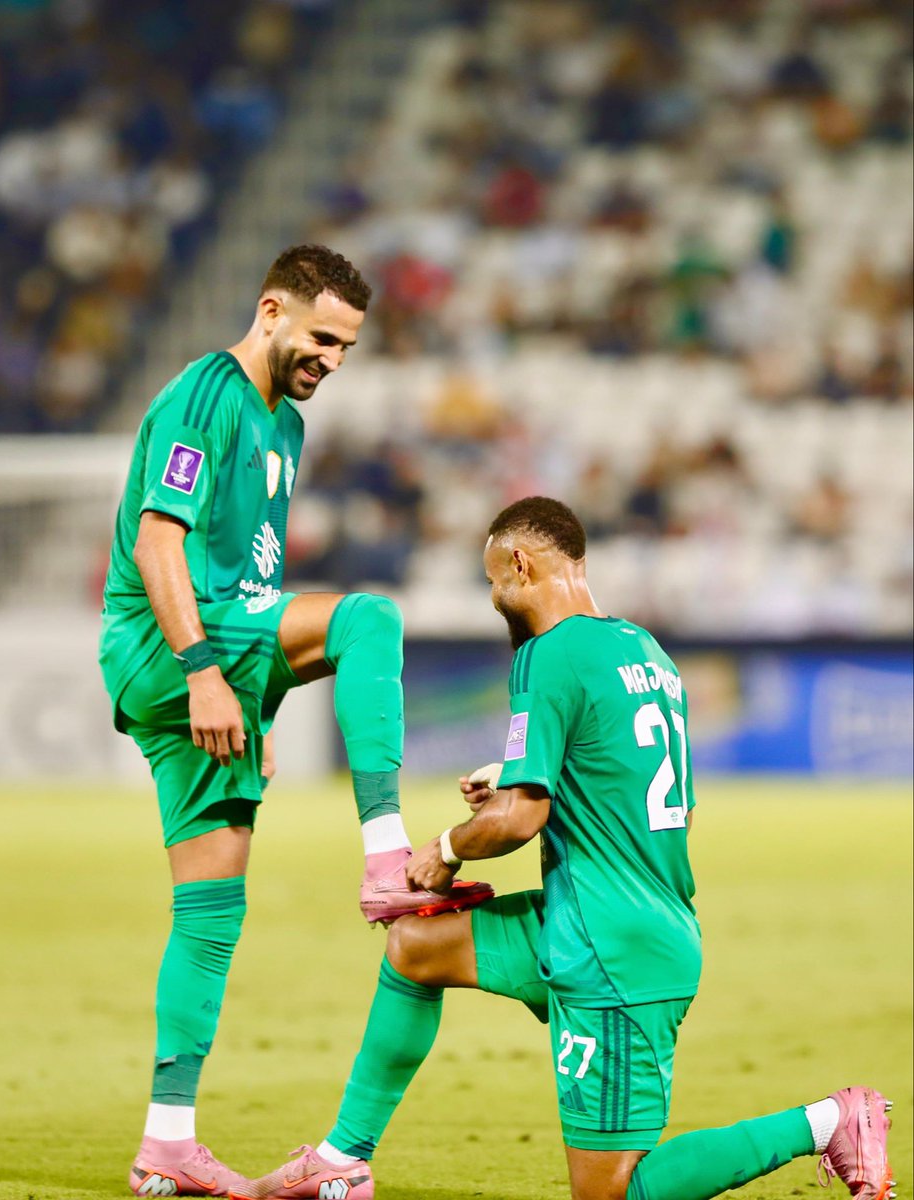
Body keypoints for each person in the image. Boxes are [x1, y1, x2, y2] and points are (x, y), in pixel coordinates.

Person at [241, 496, 893, 1200]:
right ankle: (343, 1156)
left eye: (493, 580)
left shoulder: (546, 655)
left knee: (613, 1193)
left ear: (520, 564)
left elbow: (518, 820)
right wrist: (518, 776)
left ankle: (829, 1121)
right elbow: (661, 798)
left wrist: (447, 848)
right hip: (599, 922)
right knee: (414, 948)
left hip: (613, 956)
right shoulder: (644, 648)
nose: (493, 597)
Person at [98, 243, 492, 1197]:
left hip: (217, 652)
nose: (333, 361)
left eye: (348, 347)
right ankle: (387, 856)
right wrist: (203, 670)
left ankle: (167, 1142)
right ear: (271, 310)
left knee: (209, 912)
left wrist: (254, 689)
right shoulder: (207, 393)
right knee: (369, 619)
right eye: (322, 338)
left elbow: (254, 576)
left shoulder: (287, 427)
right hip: (165, 640)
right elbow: (161, 546)